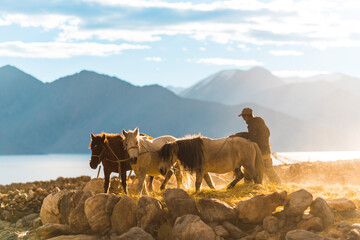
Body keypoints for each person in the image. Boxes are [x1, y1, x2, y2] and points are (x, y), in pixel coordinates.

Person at [233, 107, 281, 184]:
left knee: (250, 169)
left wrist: (238, 135)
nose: (243, 119)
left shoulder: (253, 124)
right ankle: (278, 184)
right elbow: (267, 133)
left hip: (260, 152)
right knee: (269, 170)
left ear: (247, 116)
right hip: (266, 150)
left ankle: (249, 185)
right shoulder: (260, 121)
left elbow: (252, 136)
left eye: (243, 117)